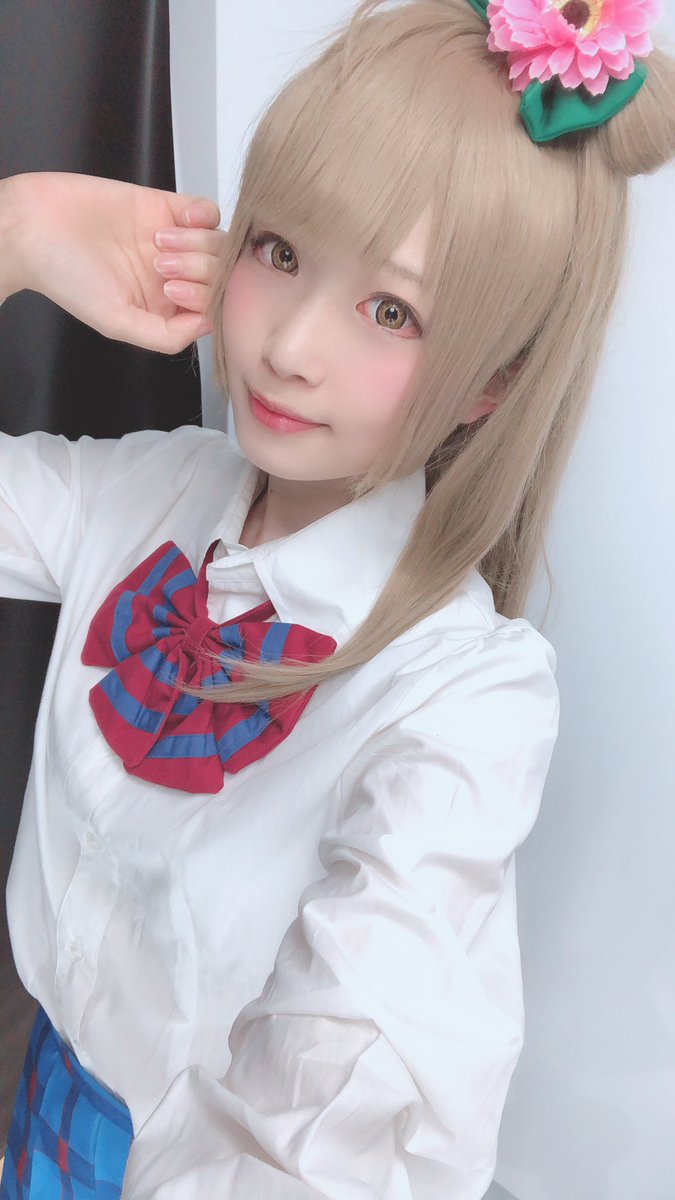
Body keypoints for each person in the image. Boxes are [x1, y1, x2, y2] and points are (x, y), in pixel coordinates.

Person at [1, 0, 673, 1197]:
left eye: (391, 311)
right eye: (279, 250)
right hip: (39, 1111)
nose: (291, 346)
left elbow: (326, 1115)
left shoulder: (466, 696)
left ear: (491, 384)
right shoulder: (154, 489)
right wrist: (16, 228)